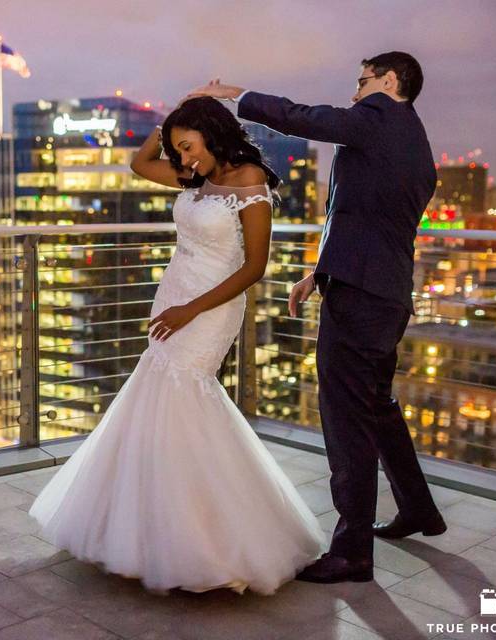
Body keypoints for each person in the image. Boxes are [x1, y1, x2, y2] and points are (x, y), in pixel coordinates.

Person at [28, 96, 325, 595]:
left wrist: (192, 309)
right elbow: (138, 162)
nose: (183, 158)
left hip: (211, 306)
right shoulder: (194, 176)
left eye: (188, 147)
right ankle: (145, 529)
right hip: (173, 295)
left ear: (213, 133)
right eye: (178, 148)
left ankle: (212, 539)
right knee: (157, 397)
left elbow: (253, 268)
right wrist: (170, 119)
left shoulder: (249, 179)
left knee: (188, 397)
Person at [189, 51, 446, 584]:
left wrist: (235, 96)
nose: (355, 93)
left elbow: (305, 117)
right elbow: (367, 221)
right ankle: (418, 507)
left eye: (363, 81)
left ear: (390, 81)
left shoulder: (379, 120)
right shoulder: (414, 143)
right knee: (375, 406)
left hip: (362, 300)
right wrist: (319, 272)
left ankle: (352, 552)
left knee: (346, 418)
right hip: (384, 293)